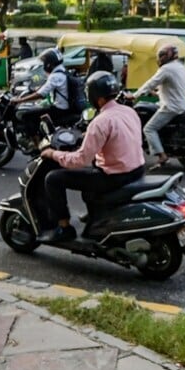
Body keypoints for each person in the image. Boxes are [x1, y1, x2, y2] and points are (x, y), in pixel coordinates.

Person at [39, 70, 145, 242]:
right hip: (137, 170)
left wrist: (53, 153)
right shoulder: (129, 111)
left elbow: (80, 160)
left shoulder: (101, 121)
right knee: (93, 168)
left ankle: (64, 228)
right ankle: (96, 215)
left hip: (115, 177)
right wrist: (85, 138)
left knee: (53, 178)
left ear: (97, 98)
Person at [134, 43, 185, 168]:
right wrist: (157, 93)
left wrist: (135, 95)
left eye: (162, 55)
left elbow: (151, 83)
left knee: (149, 129)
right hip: (182, 104)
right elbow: (174, 87)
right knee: (152, 108)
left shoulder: (166, 69)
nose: (160, 58)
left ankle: (162, 156)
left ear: (167, 56)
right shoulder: (180, 66)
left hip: (172, 106)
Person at [15, 48, 80, 133]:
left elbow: (40, 94)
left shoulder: (55, 76)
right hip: (66, 108)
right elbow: (46, 86)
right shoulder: (62, 71)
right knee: (36, 109)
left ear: (49, 64)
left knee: (26, 115)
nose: (44, 65)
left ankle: (35, 139)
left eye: (45, 63)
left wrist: (19, 100)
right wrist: (34, 89)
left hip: (59, 110)